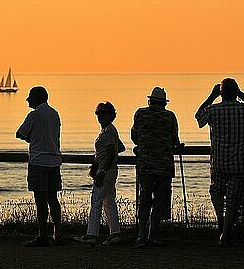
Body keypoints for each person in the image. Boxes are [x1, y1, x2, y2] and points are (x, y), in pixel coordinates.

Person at [195, 78, 244, 246]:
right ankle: (224, 235)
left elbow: (199, 117)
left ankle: (220, 218)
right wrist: (242, 95)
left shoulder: (213, 110)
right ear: (236, 92)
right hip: (241, 163)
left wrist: (211, 96)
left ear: (221, 93)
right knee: (233, 199)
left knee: (216, 191)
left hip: (219, 162)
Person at [131, 87, 182, 248]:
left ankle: (141, 236)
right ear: (164, 104)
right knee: (160, 201)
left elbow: (134, 137)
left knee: (144, 199)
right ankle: (152, 235)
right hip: (164, 165)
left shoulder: (140, 114)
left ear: (150, 101)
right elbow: (174, 139)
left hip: (145, 165)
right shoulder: (170, 117)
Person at [16, 86, 63, 247]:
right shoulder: (55, 114)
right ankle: (58, 233)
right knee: (53, 199)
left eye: (30, 96)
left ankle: (43, 235)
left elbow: (20, 133)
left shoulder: (34, 115)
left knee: (40, 201)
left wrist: (32, 138)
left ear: (37, 98)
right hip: (54, 161)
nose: (27, 99)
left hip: (38, 162)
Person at [74, 102, 126, 246]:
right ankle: (114, 233)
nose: (100, 116)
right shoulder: (110, 130)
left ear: (111, 115)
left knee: (96, 201)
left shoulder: (108, 131)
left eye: (103, 113)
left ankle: (91, 234)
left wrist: (101, 169)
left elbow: (110, 153)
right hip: (111, 170)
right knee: (108, 202)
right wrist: (101, 155)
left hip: (106, 171)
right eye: (98, 113)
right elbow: (119, 148)